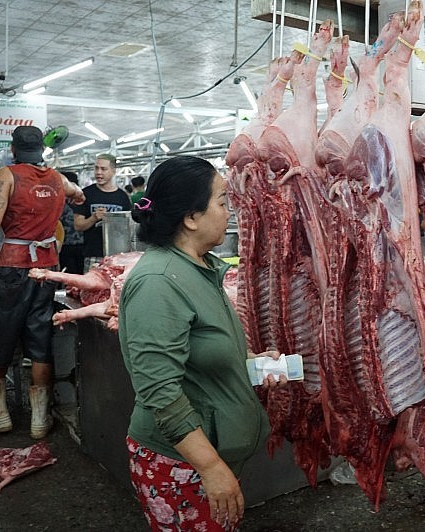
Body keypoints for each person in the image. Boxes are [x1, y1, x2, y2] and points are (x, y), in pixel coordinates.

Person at [119, 156, 286, 531]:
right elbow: (159, 390)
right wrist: (210, 467)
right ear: (191, 218)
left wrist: (252, 363)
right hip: (182, 465)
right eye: (223, 202)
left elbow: (205, 350)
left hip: (205, 458)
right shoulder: (159, 281)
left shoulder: (200, 267)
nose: (230, 213)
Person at [0, 125, 85, 438]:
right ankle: (39, 420)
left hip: (11, 268)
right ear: (42, 150)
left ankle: (0, 415)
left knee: (2, 334)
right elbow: (76, 192)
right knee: (39, 337)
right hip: (46, 268)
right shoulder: (57, 178)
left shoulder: (7, 174)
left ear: (13, 149)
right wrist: (75, 194)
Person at [72, 153, 131, 272]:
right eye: (96, 168)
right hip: (93, 255)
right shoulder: (86, 194)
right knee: (91, 289)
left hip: (118, 256)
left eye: (103, 169)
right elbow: (78, 225)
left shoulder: (122, 197)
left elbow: (128, 228)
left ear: (113, 171)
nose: (98, 172)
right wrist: (93, 218)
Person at [58, 171, 86, 275]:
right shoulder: (83, 199)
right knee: (80, 274)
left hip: (65, 245)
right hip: (82, 244)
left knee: (69, 275)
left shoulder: (59, 200)